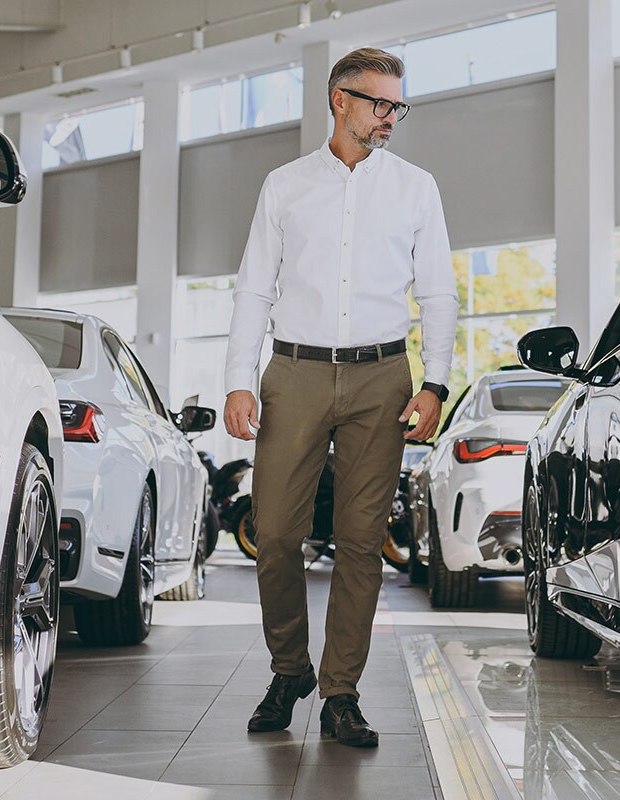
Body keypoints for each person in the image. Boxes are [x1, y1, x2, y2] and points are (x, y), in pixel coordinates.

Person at [222, 47, 455, 748]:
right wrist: (238, 376)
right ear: (340, 101)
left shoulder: (417, 188)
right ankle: (289, 668)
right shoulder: (285, 186)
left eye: (396, 106)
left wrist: (435, 381)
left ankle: (340, 692)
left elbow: (437, 290)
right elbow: (254, 287)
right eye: (379, 104)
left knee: (359, 542)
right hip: (292, 372)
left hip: (381, 378)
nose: (389, 118)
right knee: (277, 535)